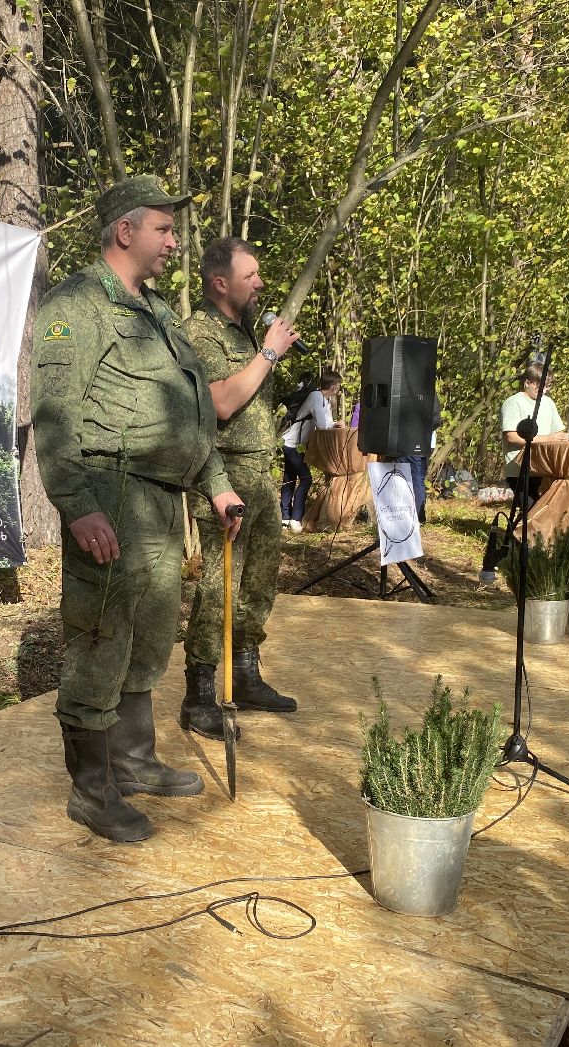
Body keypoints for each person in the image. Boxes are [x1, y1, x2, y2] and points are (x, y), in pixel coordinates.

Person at [31, 175, 243, 844]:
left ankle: (133, 759)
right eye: (164, 229)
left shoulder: (158, 314)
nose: (174, 243)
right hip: (109, 493)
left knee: (151, 633)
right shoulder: (77, 306)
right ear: (126, 232)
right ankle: (92, 790)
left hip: (159, 501)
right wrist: (77, 507)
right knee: (101, 635)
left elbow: (192, 409)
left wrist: (216, 482)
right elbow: (56, 414)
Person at [178, 238, 300, 741]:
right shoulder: (199, 334)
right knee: (219, 587)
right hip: (222, 478)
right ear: (219, 282)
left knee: (258, 582)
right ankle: (200, 691)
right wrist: (271, 351)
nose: (261, 283)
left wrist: (265, 349)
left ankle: (245, 672)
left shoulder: (247, 335)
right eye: (252, 275)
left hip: (261, 474)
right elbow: (221, 404)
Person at [279, 370, 344, 531]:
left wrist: (334, 424)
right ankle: (295, 519)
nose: (339, 389)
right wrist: (331, 425)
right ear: (334, 386)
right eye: (339, 386)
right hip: (291, 444)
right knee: (306, 479)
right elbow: (322, 425)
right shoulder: (316, 397)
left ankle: (285, 517)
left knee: (290, 478)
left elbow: (326, 422)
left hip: (294, 444)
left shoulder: (324, 400)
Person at [501, 361, 567, 504]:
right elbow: (511, 436)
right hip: (520, 469)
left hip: (544, 467)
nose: (543, 390)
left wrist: (564, 438)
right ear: (527, 382)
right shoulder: (513, 403)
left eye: (547, 386)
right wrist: (547, 439)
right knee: (529, 509)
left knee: (544, 509)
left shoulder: (548, 403)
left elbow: (558, 432)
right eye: (538, 385)